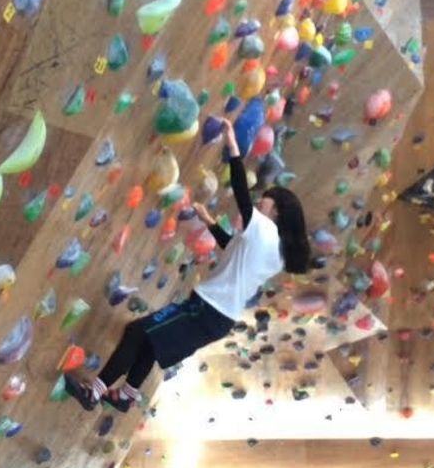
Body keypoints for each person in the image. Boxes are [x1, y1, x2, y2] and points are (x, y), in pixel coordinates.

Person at [64, 118, 311, 412]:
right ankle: (126, 396)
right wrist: (209, 223)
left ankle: (95, 392)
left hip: (207, 311)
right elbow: (233, 250)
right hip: (216, 316)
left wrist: (232, 144)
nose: (260, 204)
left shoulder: (266, 230)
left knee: (137, 332)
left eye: (266, 202)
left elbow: (242, 194)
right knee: (151, 344)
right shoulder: (276, 251)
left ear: (277, 212)